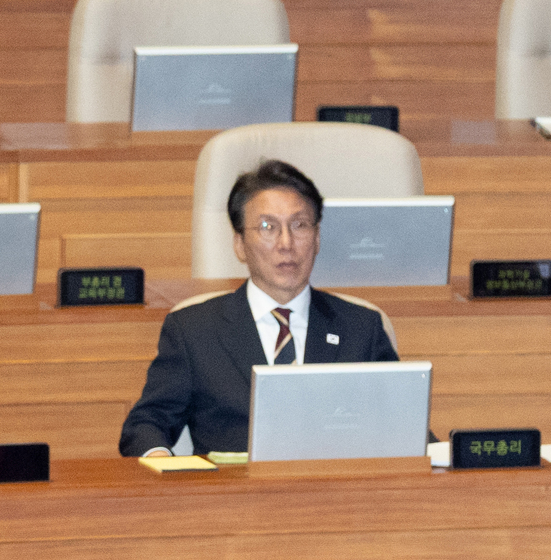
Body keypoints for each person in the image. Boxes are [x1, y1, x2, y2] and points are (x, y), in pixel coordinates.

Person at [118, 157, 399, 457]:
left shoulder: (361, 326)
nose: (286, 243)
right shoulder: (194, 331)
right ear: (239, 243)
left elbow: (405, 422)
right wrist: (161, 457)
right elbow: (145, 425)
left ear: (317, 238)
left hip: (337, 495)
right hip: (233, 497)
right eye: (268, 227)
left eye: (299, 225)